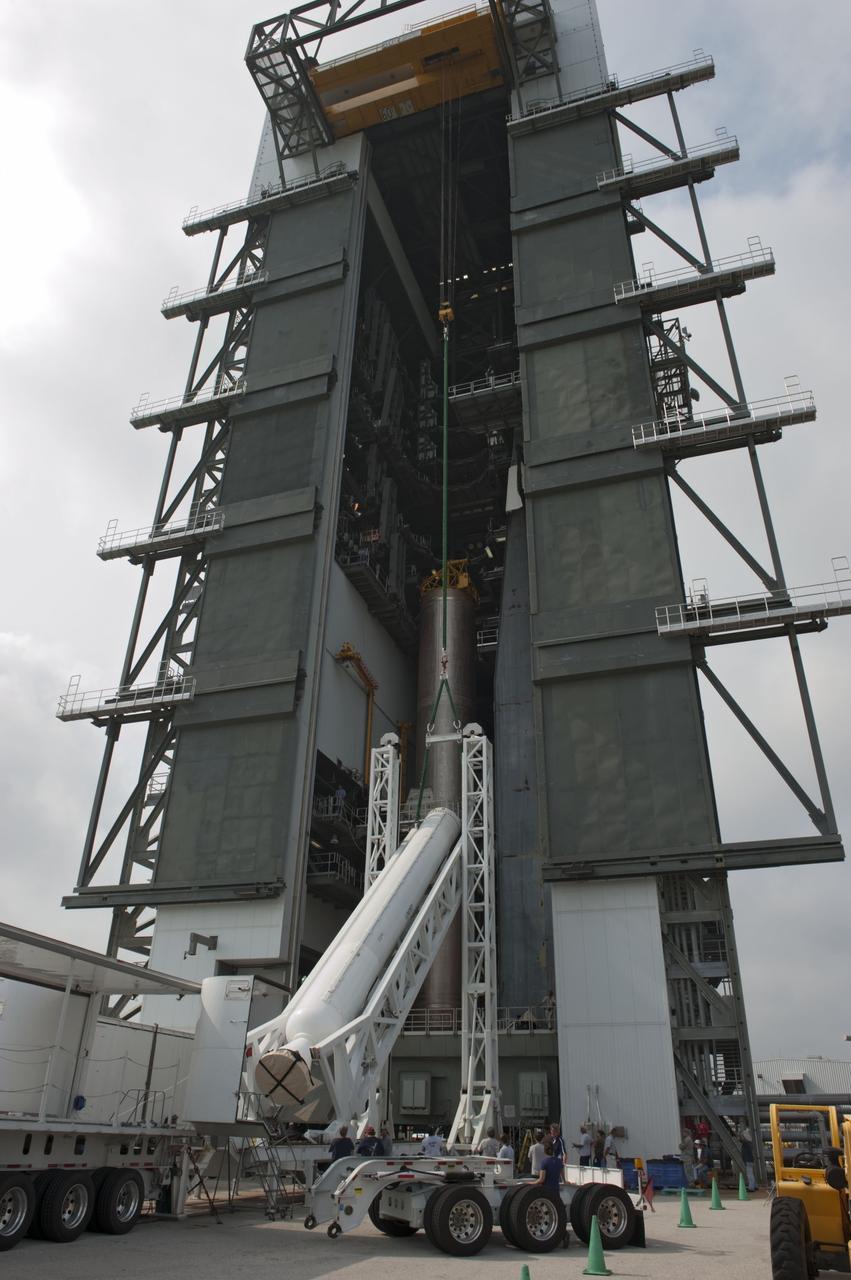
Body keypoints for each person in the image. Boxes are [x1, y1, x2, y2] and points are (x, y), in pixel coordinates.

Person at [741, 1126, 757, 1192]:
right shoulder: (749, 1143)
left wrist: (744, 1133)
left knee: (750, 1175)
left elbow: (742, 1139)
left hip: (748, 1161)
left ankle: (751, 1188)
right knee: (751, 1174)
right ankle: (755, 1186)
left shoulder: (746, 1143)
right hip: (750, 1160)